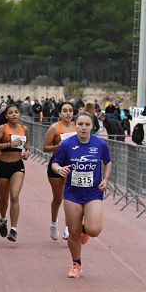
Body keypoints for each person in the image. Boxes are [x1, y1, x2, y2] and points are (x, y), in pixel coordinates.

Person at [50, 111, 112, 278]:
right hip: (72, 194)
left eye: (87, 125)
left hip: (93, 193)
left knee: (94, 230)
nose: (84, 128)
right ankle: (76, 264)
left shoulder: (100, 144)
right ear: (75, 125)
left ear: (92, 126)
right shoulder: (67, 144)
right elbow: (55, 163)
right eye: (80, 124)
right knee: (73, 231)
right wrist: (59, 169)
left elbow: (108, 161)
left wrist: (105, 179)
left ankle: (85, 228)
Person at [0, 105, 29, 241]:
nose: (14, 114)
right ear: (6, 116)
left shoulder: (24, 129)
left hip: (18, 166)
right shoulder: (2, 128)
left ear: (19, 114)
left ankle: (14, 229)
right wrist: (8, 145)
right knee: (4, 199)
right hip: (2, 166)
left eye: (16, 112)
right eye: (10, 113)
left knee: (15, 196)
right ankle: (3, 219)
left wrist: (27, 152)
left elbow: (27, 144)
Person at [43, 102, 78, 241]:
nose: (68, 113)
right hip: (57, 165)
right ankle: (53, 223)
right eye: (64, 110)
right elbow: (45, 147)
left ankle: (68, 227)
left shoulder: (77, 127)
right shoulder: (54, 128)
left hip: (74, 166)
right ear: (59, 113)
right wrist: (58, 146)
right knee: (58, 198)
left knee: (71, 198)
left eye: (70, 110)